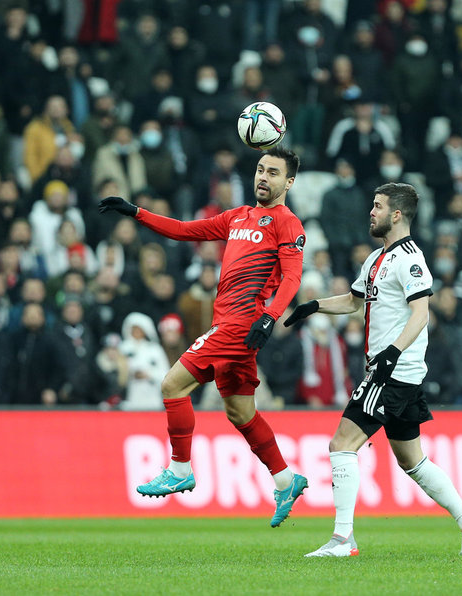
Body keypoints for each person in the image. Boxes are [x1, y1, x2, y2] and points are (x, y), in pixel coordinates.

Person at [98, 146, 308, 527]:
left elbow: (293, 276)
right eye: (261, 169)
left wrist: (271, 317)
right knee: (240, 411)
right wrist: (135, 212)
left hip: (240, 324)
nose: (264, 177)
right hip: (229, 322)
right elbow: (183, 230)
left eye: (274, 173)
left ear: (289, 182)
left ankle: (180, 469)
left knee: (172, 385)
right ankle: (286, 479)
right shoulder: (237, 217)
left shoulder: (287, 223)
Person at [284, 182, 462, 557]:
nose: (371, 212)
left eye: (377, 206)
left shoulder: (411, 259)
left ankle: (342, 539)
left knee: (341, 444)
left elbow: (421, 313)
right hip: (396, 371)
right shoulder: (376, 258)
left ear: (396, 215)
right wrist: (313, 306)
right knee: (412, 460)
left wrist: (392, 355)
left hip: (391, 372)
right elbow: (352, 301)